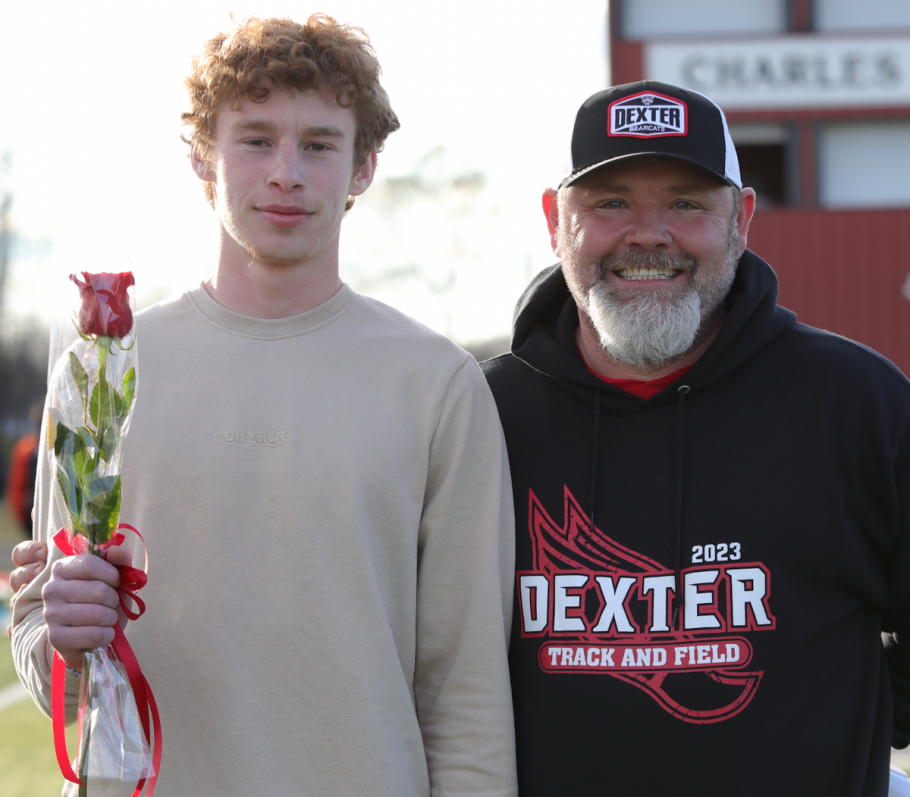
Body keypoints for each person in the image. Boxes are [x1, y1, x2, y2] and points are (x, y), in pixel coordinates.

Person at [9, 15, 516, 797]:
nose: (287, 172)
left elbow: (466, 690)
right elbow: (62, 679)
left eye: (319, 144)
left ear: (363, 167)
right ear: (201, 157)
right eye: (254, 139)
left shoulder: (438, 383)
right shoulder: (101, 370)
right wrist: (60, 635)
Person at [481, 81, 910, 795]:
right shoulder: (482, 415)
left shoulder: (855, 402)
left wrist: (852, 724)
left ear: (740, 219)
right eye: (610, 201)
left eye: (685, 202)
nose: (648, 233)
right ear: (557, 219)